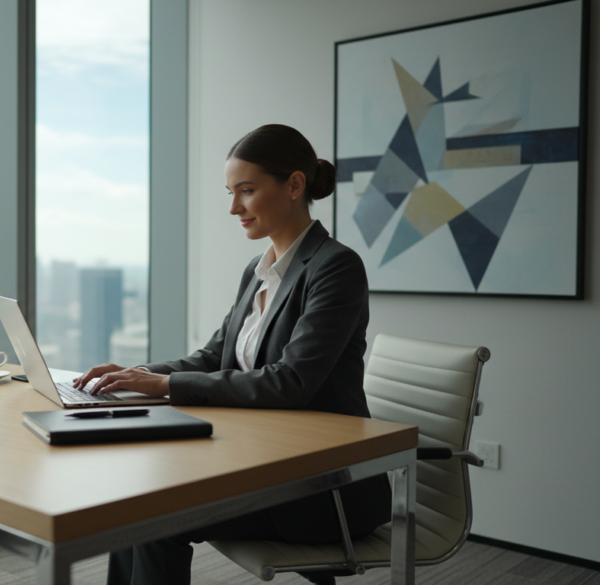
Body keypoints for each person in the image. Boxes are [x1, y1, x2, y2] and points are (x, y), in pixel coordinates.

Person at [73, 124, 391, 585]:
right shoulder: (258, 271)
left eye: (246, 190)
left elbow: (290, 381)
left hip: (322, 483)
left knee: (152, 517)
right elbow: (212, 357)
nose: (233, 207)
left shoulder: (335, 267)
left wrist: (163, 387)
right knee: (136, 502)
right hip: (260, 460)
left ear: (295, 185)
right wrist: (138, 374)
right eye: (231, 191)